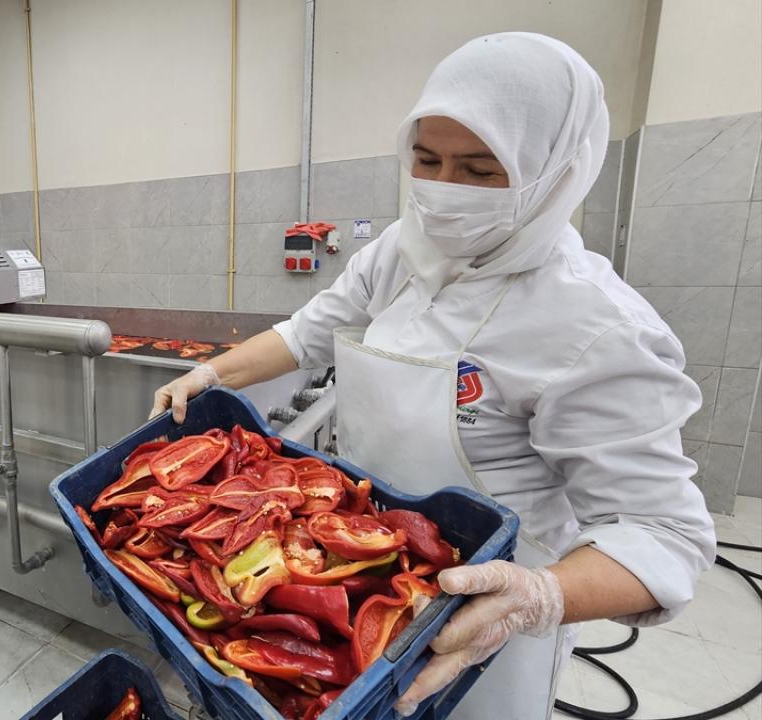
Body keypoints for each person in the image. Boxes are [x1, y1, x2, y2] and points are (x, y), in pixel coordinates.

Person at [151, 33, 714, 719]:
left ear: (554, 173)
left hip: (485, 616)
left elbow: (664, 536)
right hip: (361, 561)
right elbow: (308, 333)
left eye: (480, 170)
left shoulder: (596, 326)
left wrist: (539, 596)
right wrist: (211, 374)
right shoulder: (401, 250)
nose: (445, 190)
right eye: (427, 160)